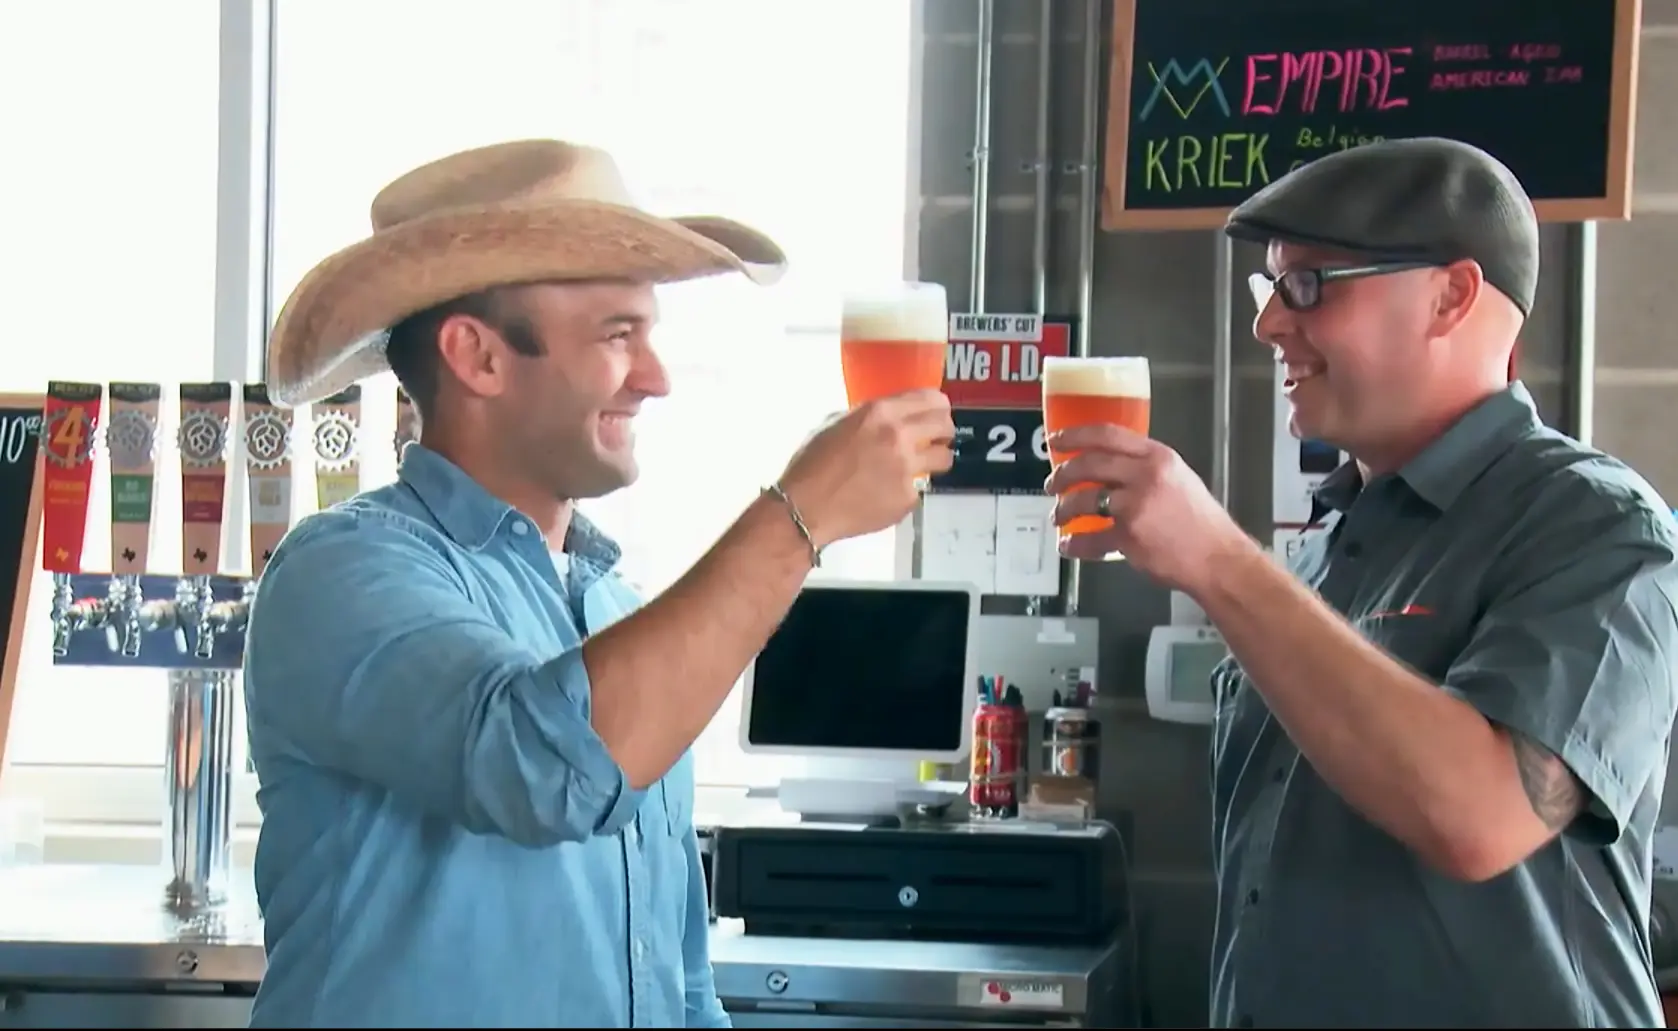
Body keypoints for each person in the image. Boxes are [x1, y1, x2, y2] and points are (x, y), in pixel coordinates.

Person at [243, 139, 954, 1027]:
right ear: (478, 357)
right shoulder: (339, 571)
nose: (656, 378)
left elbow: (678, 986)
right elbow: (547, 764)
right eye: (619, 335)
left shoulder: (613, 613)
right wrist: (801, 513)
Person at [1044, 137, 1678, 1027]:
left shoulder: (1598, 527)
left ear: (1451, 296)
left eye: (1309, 285)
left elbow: (1484, 817)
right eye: (1270, 288)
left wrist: (1218, 559)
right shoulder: (1324, 552)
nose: (1268, 324)